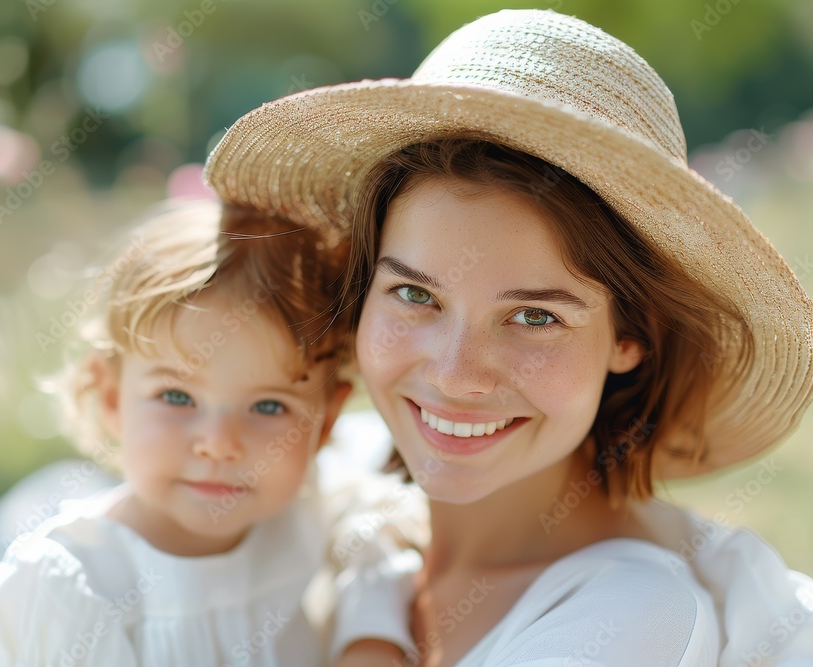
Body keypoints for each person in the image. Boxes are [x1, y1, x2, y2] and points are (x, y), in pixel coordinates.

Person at [204, 9, 813, 666]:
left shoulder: (633, 617)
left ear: (632, 335)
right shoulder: (329, 492)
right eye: (415, 294)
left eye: (534, 316)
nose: (455, 374)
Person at [0, 198, 427, 666]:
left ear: (324, 421)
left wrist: (370, 640)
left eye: (269, 406)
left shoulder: (312, 515)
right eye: (177, 398)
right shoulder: (71, 590)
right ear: (111, 397)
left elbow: (376, 526)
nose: (219, 443)